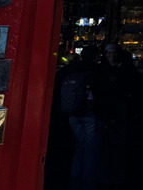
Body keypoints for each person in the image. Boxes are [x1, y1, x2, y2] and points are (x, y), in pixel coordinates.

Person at [57, 45, 105, 190]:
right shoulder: (97, 70)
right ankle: (87, 184)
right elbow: (104, 94)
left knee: (79, 147)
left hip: (72, 113)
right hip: (90, 113)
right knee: (91, 151)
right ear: (96, 56)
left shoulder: (71, 69)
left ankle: (74, 182)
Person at [100, 44, 136, 188]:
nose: (112, 56)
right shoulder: (120, 70)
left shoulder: (110, 70)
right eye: (109, 53)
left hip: (115, 111)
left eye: (113, 53)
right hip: (112, 111)